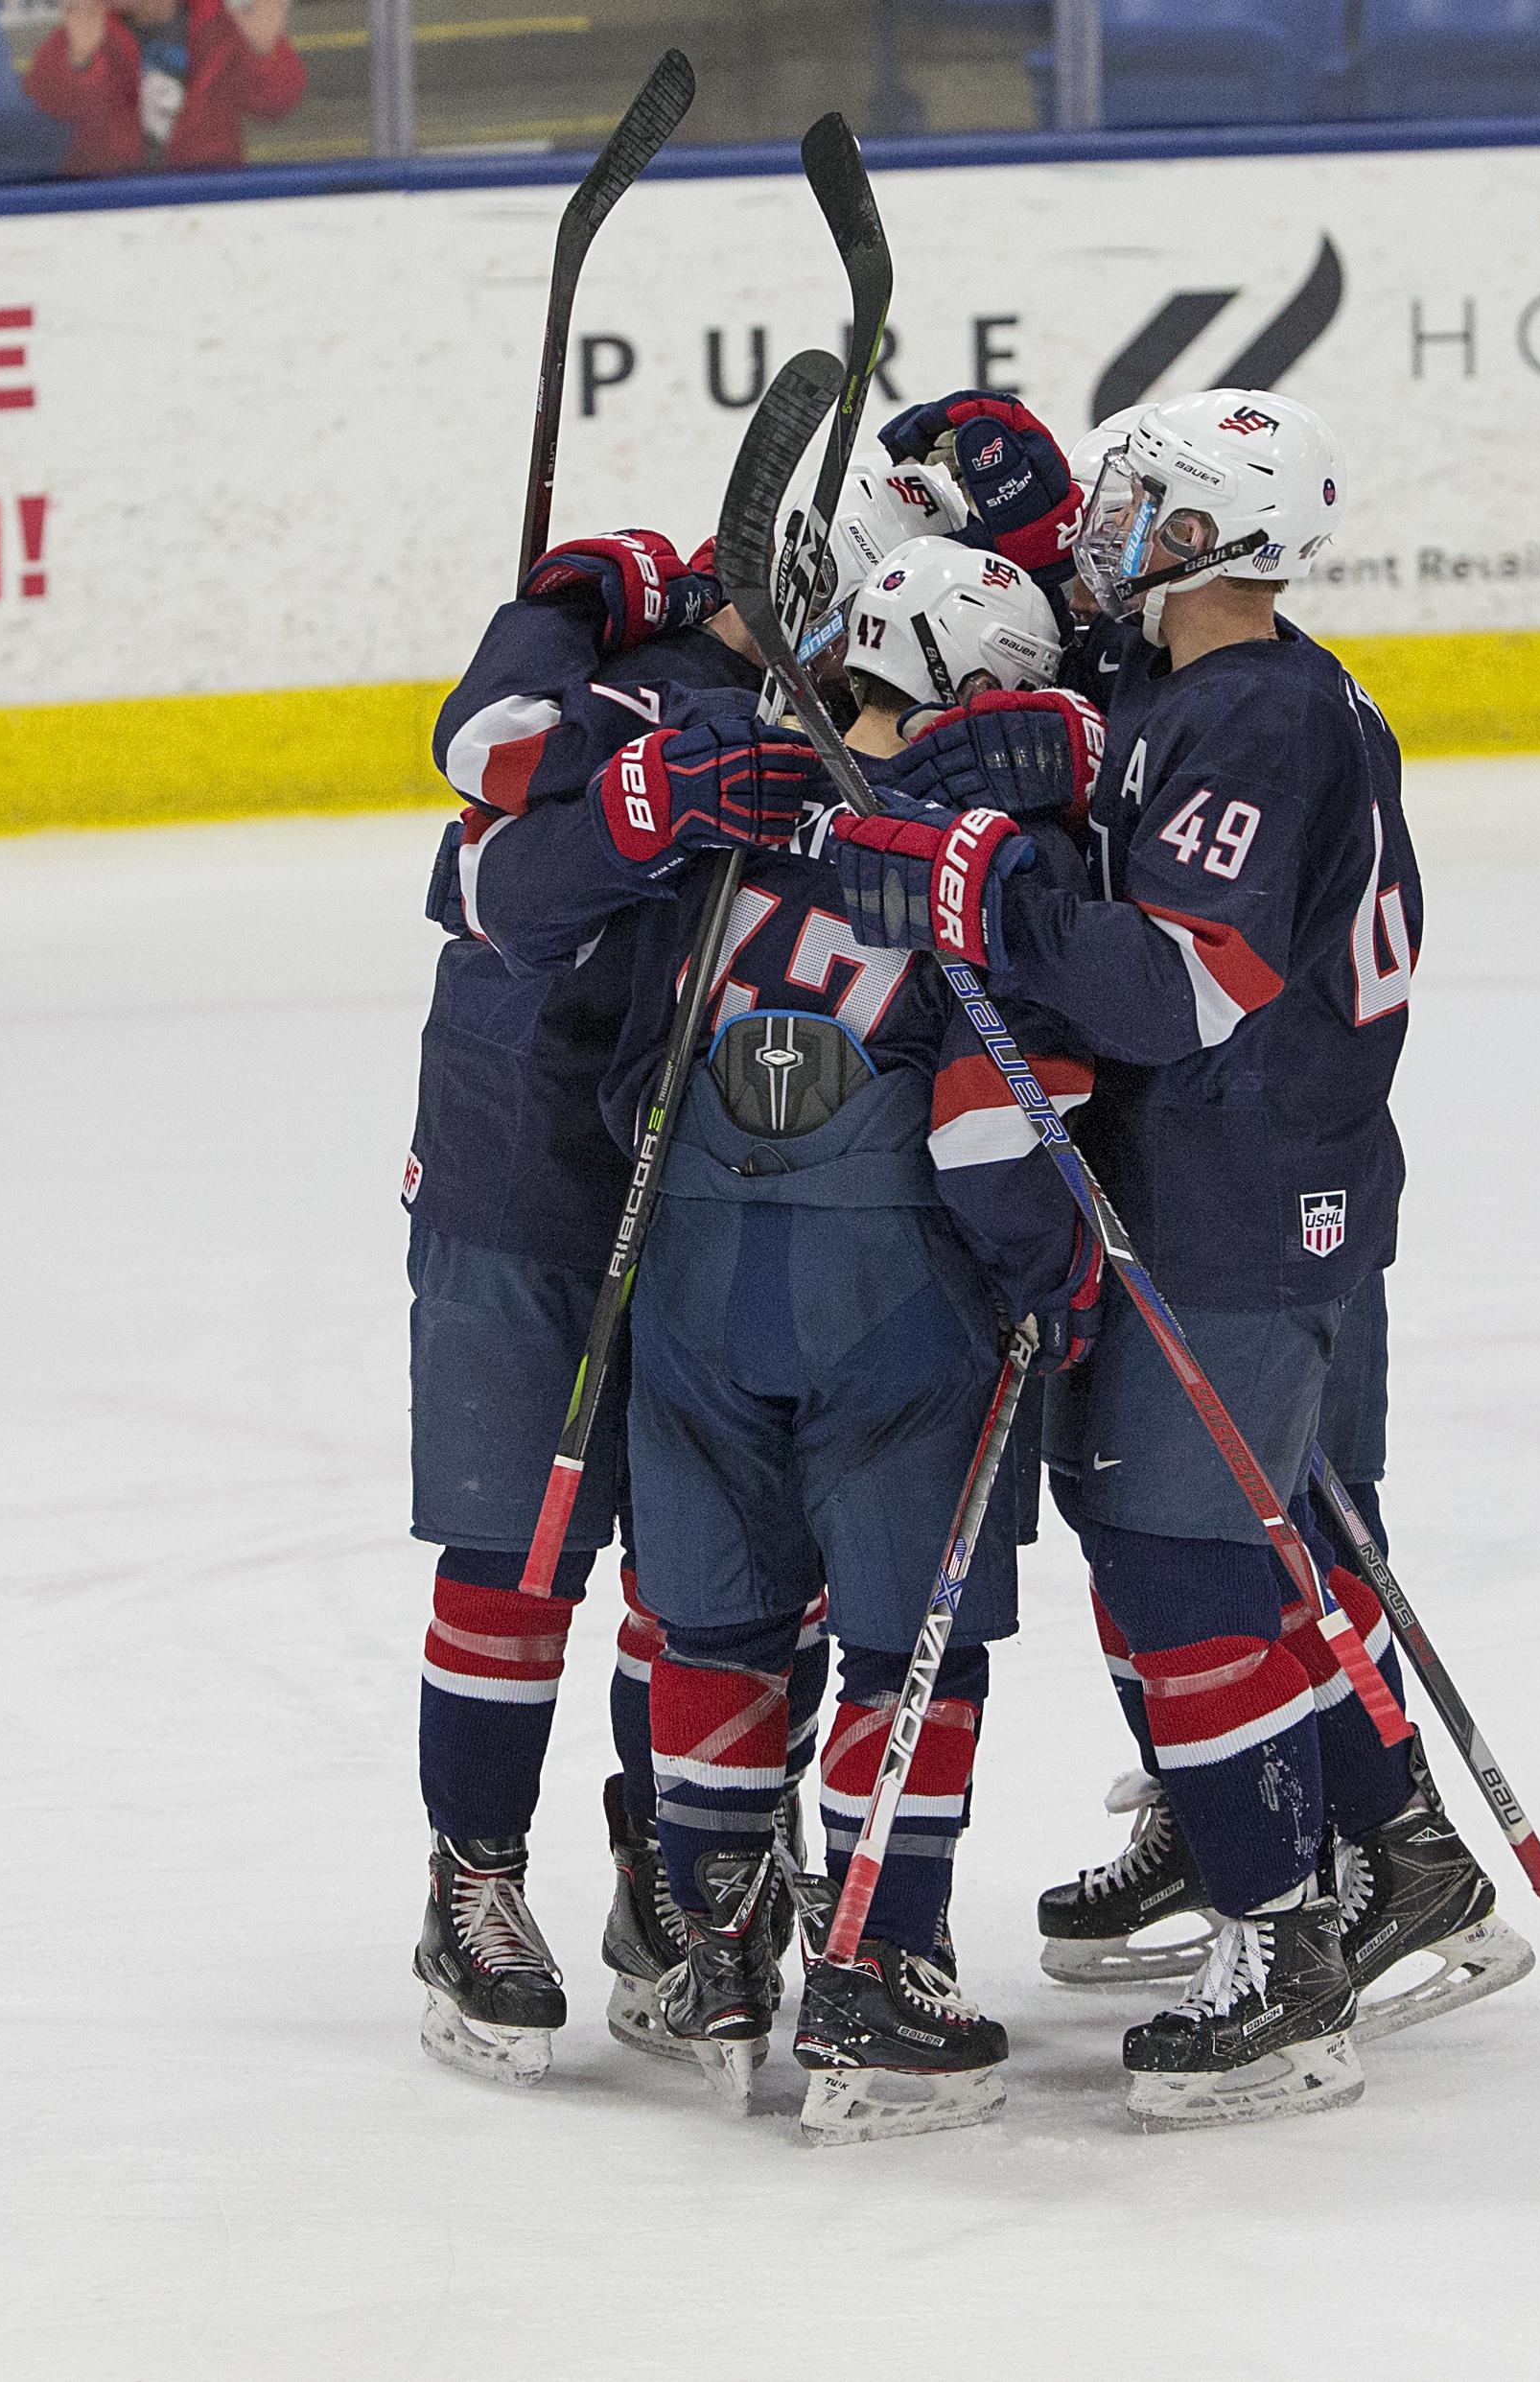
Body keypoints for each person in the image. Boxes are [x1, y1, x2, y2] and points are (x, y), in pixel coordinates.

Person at [827, 387, 1528, 2128]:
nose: (1106, 516)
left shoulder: (1258, 715)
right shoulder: (1202, 689)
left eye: (1147, 498)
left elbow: (1182, 981)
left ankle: (1284, 1943)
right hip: (1254, 1184)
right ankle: (1315, 1864)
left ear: (1211, 540)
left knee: (1190, 1558)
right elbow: (1092, 722)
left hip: (1239, 1198)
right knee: (1199, 1552)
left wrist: (984, 892)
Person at [458, 535, 1100, 2141]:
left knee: (717, 1615)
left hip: (685, 1272)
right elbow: (990, 1122)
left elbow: (533, 932)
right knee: (903, 1635)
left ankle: (715, 1951)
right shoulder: (979, 851)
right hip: (898, 1291)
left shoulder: (725, 794)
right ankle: (880, 1966)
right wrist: (1054, 1273)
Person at [400, 526, 831, 2087]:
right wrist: (561, 605)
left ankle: (672, 1873)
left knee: (708, 1556)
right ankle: (476, 1873)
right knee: (519, 1544)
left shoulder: (842, 708)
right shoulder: (596, 679)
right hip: (523, 1150)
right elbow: (483, 833)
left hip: (723, 1167)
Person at [24, 0, 304, 176]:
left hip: (207, 197)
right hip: (106, 197)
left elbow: (275, 107)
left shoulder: (219, 25)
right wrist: (80, 57)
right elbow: (50, 105)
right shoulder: (89, 27)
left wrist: (264, 51)